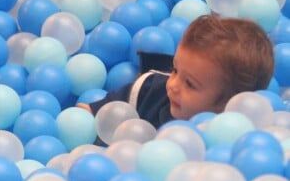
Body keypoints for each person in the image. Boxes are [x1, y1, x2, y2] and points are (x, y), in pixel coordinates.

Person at [78, 14, 275, 135]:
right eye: (175, 70)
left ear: (227, 104)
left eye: (190, 84)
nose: (173, 85)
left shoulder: (228, 136)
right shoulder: (149, 90)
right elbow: (93, 114)